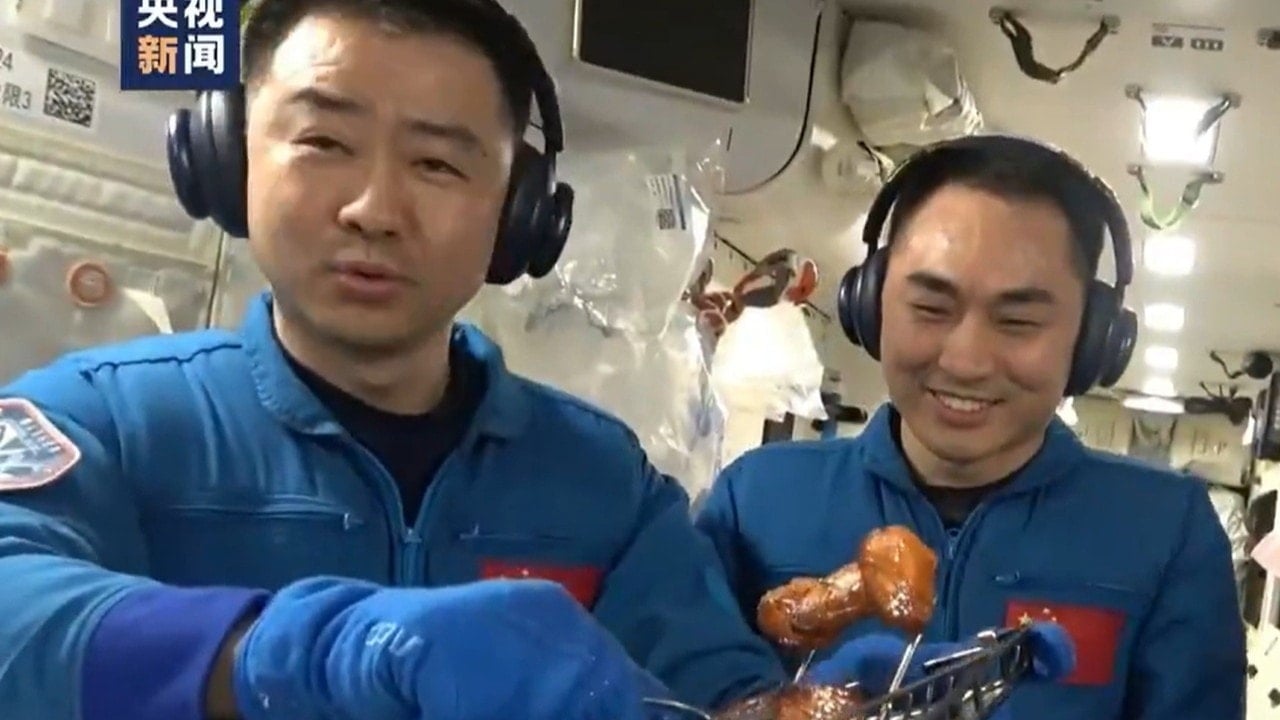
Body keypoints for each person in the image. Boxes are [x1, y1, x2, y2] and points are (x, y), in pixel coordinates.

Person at [0, 1, 885, 718]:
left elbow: (708, 687)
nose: (375, 209)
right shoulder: (98, 421)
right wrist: (304, 653)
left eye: (436, 163)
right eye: (324, 143)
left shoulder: (603, 480)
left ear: (520, 213)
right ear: (230, 158)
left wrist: (806, 704)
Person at [695, 135, 1247, 719]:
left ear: (1091, 339)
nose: (965, 361)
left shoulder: (1167, 530)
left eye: (1018, 321)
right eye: (931, 308)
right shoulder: (754, 500)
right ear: (872, 303)